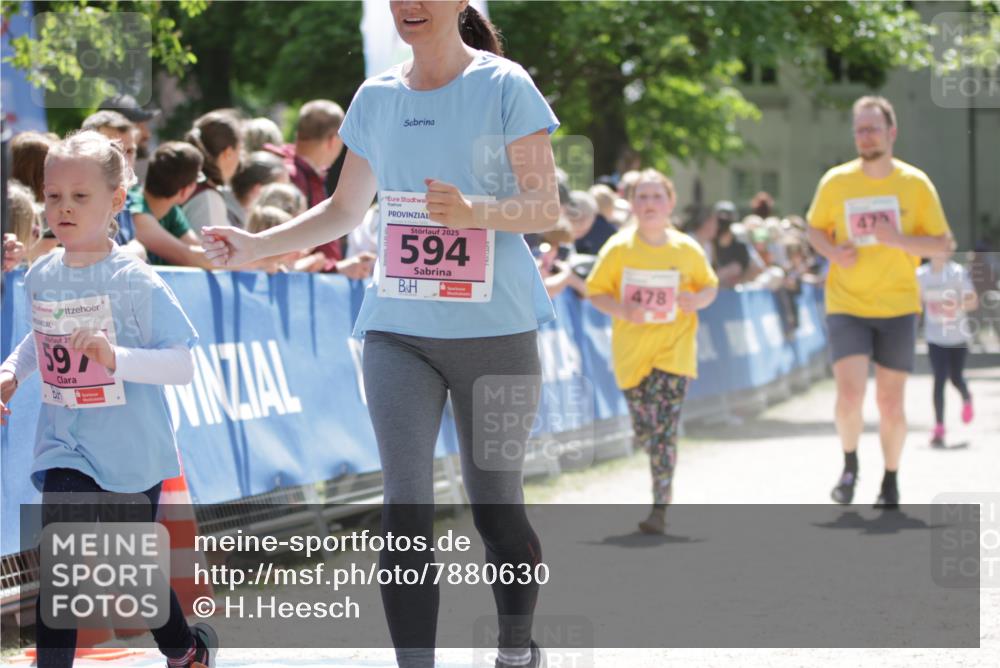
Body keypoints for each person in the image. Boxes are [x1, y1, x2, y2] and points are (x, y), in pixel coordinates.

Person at [201, 3, 560, 666]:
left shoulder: (505, 84)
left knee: (497, 515)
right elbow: (342, 210)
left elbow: (546, 209)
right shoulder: (376, 96)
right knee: (405, 505)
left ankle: (516, 649)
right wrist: (255, 245)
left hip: (497, 332)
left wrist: (473, 210)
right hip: (399, 331)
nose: (410, 7)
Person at [0, 130, 216, 668]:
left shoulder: (136, 279)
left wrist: (115, 356)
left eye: (80, 196)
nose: (63, 208)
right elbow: (39, 337)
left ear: (117, 201)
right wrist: (11, 371)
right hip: (64, 445)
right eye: (52, 196)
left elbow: (182, 364)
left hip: (130, 451)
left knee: (133, 569)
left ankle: (185, 649)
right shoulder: (42, 273)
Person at [806, 95, 951, 508]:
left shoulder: (914, 184)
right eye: (859, 129)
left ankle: (890, 479)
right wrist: (833, 253)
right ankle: (850, 466)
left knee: (890, 402)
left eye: (872, 128)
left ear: (892, 132)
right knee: (849, 395)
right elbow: (814, 229)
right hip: (846, 303)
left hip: (898, 306)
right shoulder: (836, 181)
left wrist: (899, 240)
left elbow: (942, 244)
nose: (865, 136)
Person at [586, 169, 718, 534]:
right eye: (642, 197)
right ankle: (658, 468)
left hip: (674, 353)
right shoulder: (619, 248)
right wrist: (623, 310)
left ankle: (660, 505)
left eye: (656, 197)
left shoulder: (686, 249)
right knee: (648, 431)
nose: (649, 204)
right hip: (632, 357)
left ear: (670, 202)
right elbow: (595, 292)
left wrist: (696, 300)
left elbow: (710, 287)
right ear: (632, 203)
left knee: (664, 430)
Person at [917, 244, 977, 447]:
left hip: (958, 336)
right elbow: (914, 303)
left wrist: (954, 306)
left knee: (955, 378)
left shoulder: (957, 273)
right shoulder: (920, 275)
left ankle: (967, 397)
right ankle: (939, 426)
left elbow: (973, 302)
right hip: (935, 337)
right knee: (939, 378)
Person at [132, 142, 217, 269]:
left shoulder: (171, 211)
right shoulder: (134, 210)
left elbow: (199, 248)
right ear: (184, 192)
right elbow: (189, 256)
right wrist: (253, 257)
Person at [81, 110, 146, 256]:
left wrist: (135, 250)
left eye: (130, 151)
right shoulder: (73, 198)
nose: (124, 160)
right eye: (114, 150)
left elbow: (134, 245)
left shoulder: (124, 196)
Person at [182, 111, 243, 231]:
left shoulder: (192, 186)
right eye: (240, 151)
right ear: (228, 153)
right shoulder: (207, 199)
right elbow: (209, 248)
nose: (240, 160)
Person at [712, 200, 764, 287]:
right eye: (720, 220)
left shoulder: (740, 241)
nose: (723, 225)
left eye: (727, 221)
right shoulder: (709, 241)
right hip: (713, 287)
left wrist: (741, 279)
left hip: (736, 289)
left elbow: (757, 267)